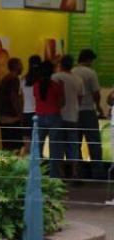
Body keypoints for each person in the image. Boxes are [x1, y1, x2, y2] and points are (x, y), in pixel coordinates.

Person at [72, 49, 104, 177]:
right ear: (88, 59)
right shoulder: (91, 73)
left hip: (74, 113)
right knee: (94, 142)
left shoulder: (72, 72)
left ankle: (79, 172)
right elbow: (96, 93)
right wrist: (98, 107)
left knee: (76, 143)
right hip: (88, 111)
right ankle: (97, 173)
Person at [52, 55, 84, 176]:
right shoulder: (78, 79)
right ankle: (75, 173)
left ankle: (60, 173)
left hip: (58, 116)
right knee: (73, 146)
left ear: (60, 64)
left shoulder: (55, 77)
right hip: (73, 116)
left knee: (58, 146)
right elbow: (80, 98)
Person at [34, 61, 65, 178]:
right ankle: (54, 176)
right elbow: (62, 103)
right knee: (55, 148)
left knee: (38, 147)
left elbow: (37, 100)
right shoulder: (56, 85)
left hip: (39, 116)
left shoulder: (36, 85)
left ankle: (38, 173)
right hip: (54, 117)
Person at [0, 58, 23, 152]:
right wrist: (20, 115)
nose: (22, 67)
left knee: (6, 145)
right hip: (11, 117)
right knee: (15, 146)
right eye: (20, 65)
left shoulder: (5, 78)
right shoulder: (14, 79)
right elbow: (14, 97)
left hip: (2, 116)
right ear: (15, 67)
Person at [21, 55, 41, 155]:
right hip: (39, 112)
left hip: (26, 112)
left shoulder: (23, 79)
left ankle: (28, 163)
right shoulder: (42, 80)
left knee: (27, 138)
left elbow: (22, 96)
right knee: (38, 139)